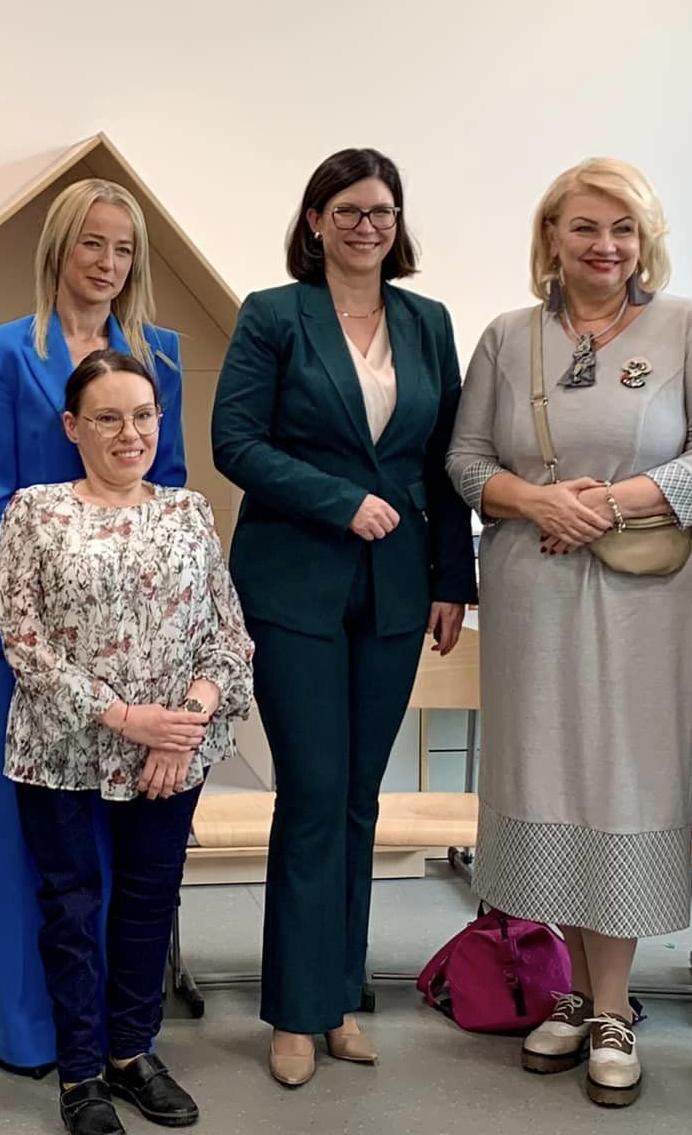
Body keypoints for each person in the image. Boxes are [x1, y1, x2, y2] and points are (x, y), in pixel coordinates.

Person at [445, 156, 692, 1108]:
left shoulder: (687, 328)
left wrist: (610, 503)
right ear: (551, 236)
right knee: (550, 771)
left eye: (622, 228)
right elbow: (465, 460)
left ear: (645, 239)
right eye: (584, 226)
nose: (604, 245)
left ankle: (612, 1009)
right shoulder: (508, 336)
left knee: (624, 775)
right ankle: (573, 994)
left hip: (645, 598)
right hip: (533, 590)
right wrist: (539, 501)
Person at [211, 147, 475, 1089]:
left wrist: (454, 579)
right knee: (315, 791)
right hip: (294, 584)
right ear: (316, 220)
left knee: (362, 797)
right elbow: (235, 441)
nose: (368, 226)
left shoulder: (427, 322)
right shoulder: (273, 315)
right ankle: (295, 1008)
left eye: (383, 212)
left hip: (398, 588)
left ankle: (339, 997)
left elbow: (446, 461)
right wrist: (339, 501)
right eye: (350, 210)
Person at [0, 348, 253, 1135]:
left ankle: (132, 1054)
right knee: (72, 909)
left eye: (142, 415)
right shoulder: (33, 511)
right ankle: (80, 1074)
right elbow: (25, 641)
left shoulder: (189, 512)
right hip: (59, 749)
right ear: (72, 426)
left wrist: (184, 726)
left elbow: (228, 639)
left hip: (169, 752)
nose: (128, 433)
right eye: (107, 418)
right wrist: (124, 717)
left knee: (148, 901)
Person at [0, 178, 186, 1077]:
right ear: (59, 248)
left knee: (126, 860)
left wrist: (128, 606)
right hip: (36, 642)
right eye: (92, 243)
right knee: (40, 859)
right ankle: (33, 1035)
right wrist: (68, 596)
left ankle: (119, 1040)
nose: (107, 262)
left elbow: (167, 489)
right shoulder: (1, 351)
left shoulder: (161, 355)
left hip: (144, 645)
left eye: (124, 248)